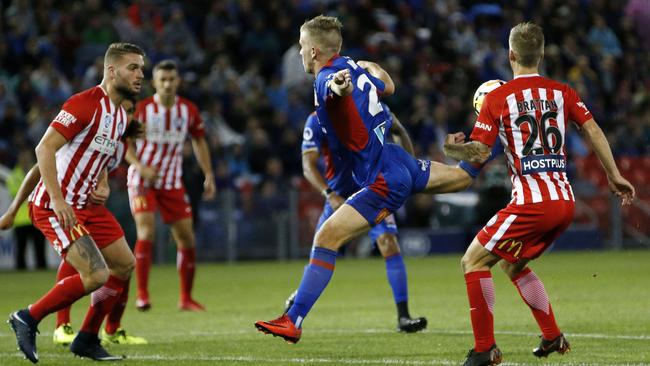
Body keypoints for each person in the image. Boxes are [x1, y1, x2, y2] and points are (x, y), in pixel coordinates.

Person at [255, 15, 474, 344]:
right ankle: (489, 145)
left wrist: (338, 89)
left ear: (314, 51)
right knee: (461, 178)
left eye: (301, 47)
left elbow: (333, 90)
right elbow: (389, 85)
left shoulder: (326, 77)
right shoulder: (357, 69)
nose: (299, 53)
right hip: (399, 161)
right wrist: (362, 67)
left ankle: (293, 319)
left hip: (381, 178)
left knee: (326, 238)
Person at [442, 22, 635, 366]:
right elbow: (592, 128)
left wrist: (452, 149)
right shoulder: (563, 92)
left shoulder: (497, 98)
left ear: (511, 55)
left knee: (472, 260)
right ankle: (551, 336)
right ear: (542, 54)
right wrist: (614, 175)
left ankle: (485, 349)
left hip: (532, 202)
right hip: (564, 201)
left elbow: (479, 154)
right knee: (513, 266)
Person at [7, 42, 145, 363]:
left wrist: (101, 183)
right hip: (56, 205)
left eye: (141, 68)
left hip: (89, 207)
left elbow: (96, 158)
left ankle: (86, 339)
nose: (140, 74)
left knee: (124, 265)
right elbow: (44, 149)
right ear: (112, 71)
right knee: (96, 274)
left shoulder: (120, 118)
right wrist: (56, 199)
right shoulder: (84, 103)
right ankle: (27, 317)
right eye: (133, 67)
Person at [293, 105, 426, 333]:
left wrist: (406, 153)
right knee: (322, 251)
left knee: (389, 243)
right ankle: (296, 304)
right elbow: (308, 165)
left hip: (374, 192)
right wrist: (329, 194)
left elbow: (400, 137)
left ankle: (403, 316)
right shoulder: (316, 121)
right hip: (339, 196)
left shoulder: (373, 109)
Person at [125, 59, 216, 312]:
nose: (167, 84)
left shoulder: (188, 110)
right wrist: (140, 166)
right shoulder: (141, 109)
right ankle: (142, 295)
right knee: (147, 232)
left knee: (186, 237)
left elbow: (199, 142)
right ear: (154, 82)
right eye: (162, 80)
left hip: (172, 182)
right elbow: (125, 144)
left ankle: (186, 298)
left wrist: (208, 174)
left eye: (171, 79)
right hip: (142, 180)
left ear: (178, 82)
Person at [5, 148, 47, 270]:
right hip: (20, 219)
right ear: (19, 159)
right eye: (23, 157)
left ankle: (41, 271)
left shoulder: (39, 171)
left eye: (27, 157)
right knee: (20, 251)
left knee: (40, 249)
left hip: (36, 218)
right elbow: (15, 192)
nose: (25, 159)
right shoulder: (13, 175)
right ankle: (20, 273)